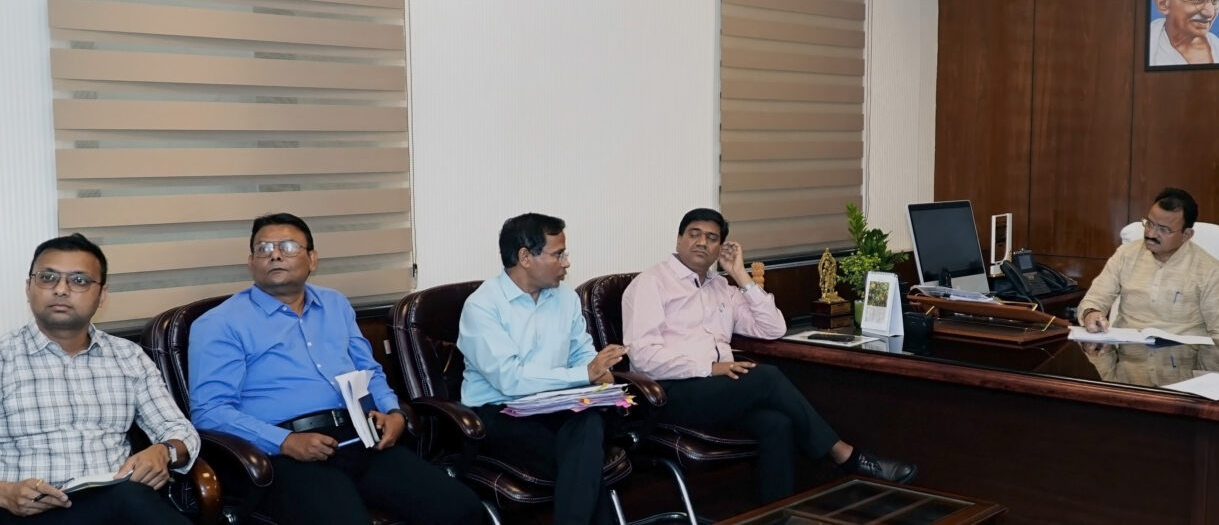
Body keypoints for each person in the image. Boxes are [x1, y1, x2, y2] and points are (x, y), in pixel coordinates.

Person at [188, 213, 482, 525]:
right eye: (263, 249)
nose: (274, 255)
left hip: (359, 436)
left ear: (312, 259)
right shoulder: (220, 323)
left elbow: (368, 370)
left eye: (288, 247)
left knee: (462, 508)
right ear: (251, 262)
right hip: (283, 453)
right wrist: (284, 442)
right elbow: (210, 411)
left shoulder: (335, 304)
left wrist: (392, 412)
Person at [622, 208, 917, 503]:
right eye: (694, 234)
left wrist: (740, 275)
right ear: (678, 240)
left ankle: (777, 515)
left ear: (719, 248)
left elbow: (773, 328)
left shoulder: (721, 287)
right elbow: (644, 357)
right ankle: (845, 455)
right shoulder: (651, 283)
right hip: (667, 394)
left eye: (711, 238)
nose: (702, 242)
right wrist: (709, 367)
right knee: (766, 377)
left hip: (715, 393)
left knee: (777, 423)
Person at [0, 234, 199, 524]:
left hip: (115, 501)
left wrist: (164, 451)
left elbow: (180, 431)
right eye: (48, 278)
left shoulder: (128, 357)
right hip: (26, 512)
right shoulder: (4, 357)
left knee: (131, 499)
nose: (61, 290)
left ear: (102, 295)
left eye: (79, 280)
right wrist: (4, 492)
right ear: (29, 287)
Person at [457, 213, 625, 524]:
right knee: (584, 454)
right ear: (525, 257)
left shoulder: (565, 298)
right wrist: (584, 374)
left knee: (588, 430)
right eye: (558, 254)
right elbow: (510, 379)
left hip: (556, 406)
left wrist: (601, 374)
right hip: (500, 412)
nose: (566, 263)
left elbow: (581, 353)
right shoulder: (482, 306)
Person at [1076, 188, 1219, 378]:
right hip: (1128, 367)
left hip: (1181, 374)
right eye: (1149, 223)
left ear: (1186, 235)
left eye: (1163, 230)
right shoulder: (1125, 255)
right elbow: (1094, 299)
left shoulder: (1209, 270)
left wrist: (1202, 384)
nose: (1151, 233)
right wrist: (1091, 313)